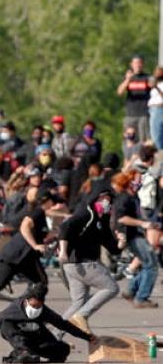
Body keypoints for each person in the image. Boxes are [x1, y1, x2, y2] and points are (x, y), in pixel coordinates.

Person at [0, 189, 60, 324]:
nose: (54, 204)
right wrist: (35, 245)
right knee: (39, 283)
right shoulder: (38, 212)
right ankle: (31, 313)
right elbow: (24, 227)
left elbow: (38, 233)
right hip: (19, 254)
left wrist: (52, 235)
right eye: (52, 201)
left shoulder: (40, 214)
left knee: (34, 283)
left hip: (21, 256)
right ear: (47, 201)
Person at [0, 283, 95, 364]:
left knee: (62, 351)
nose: (36, 309)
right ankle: (21, 352)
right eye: (33, 306)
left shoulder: (44, 311)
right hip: (19, 337)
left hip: (36, 337)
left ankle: (30, 352)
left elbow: (64, 325)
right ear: (26, 302)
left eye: (39, 306)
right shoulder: (12, 311)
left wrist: (87, 337)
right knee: (6, 325)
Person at [58, 185, 122, 334]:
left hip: (75, 267)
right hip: (81, 263)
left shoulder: (102, 220)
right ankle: (81, 316)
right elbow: (65, 227)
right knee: (111, 288)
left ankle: (54, 336)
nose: (108, 202)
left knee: (78, 303)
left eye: (109, 199)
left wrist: (121, 243)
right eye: (105, 198)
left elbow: (112, 247)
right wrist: (62, 251)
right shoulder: (87, 213)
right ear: (96, 198)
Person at [111, 171, 158, 308]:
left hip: (134, 234)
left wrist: (146, 222)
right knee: (151, 264)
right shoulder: (123, 198)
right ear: (129, 181)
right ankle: (141, 297)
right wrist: (142, 224)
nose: (140, 182)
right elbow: (121, 218)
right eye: (137, 179)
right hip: (129, 235)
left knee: (148, 263)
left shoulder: (132, 196)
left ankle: (131, 291)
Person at [116, 54, 153, 143]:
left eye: (139, 62)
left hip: (144, 115)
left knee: (143, 141)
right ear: (131, 64)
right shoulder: (128, 78)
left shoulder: (147, 78)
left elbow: (154, 89)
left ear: (143, 64)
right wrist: (128, 80)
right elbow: (119, 92)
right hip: (130, 115)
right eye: (135, 63)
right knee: (129, 141)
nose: (137, 65)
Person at [149, 66, 163, 150]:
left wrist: (156, 88)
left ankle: (161, 158)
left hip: (159, 110)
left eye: (158, 72)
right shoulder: (157, 84)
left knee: (157, 138)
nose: (155, 73)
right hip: (153, 110)